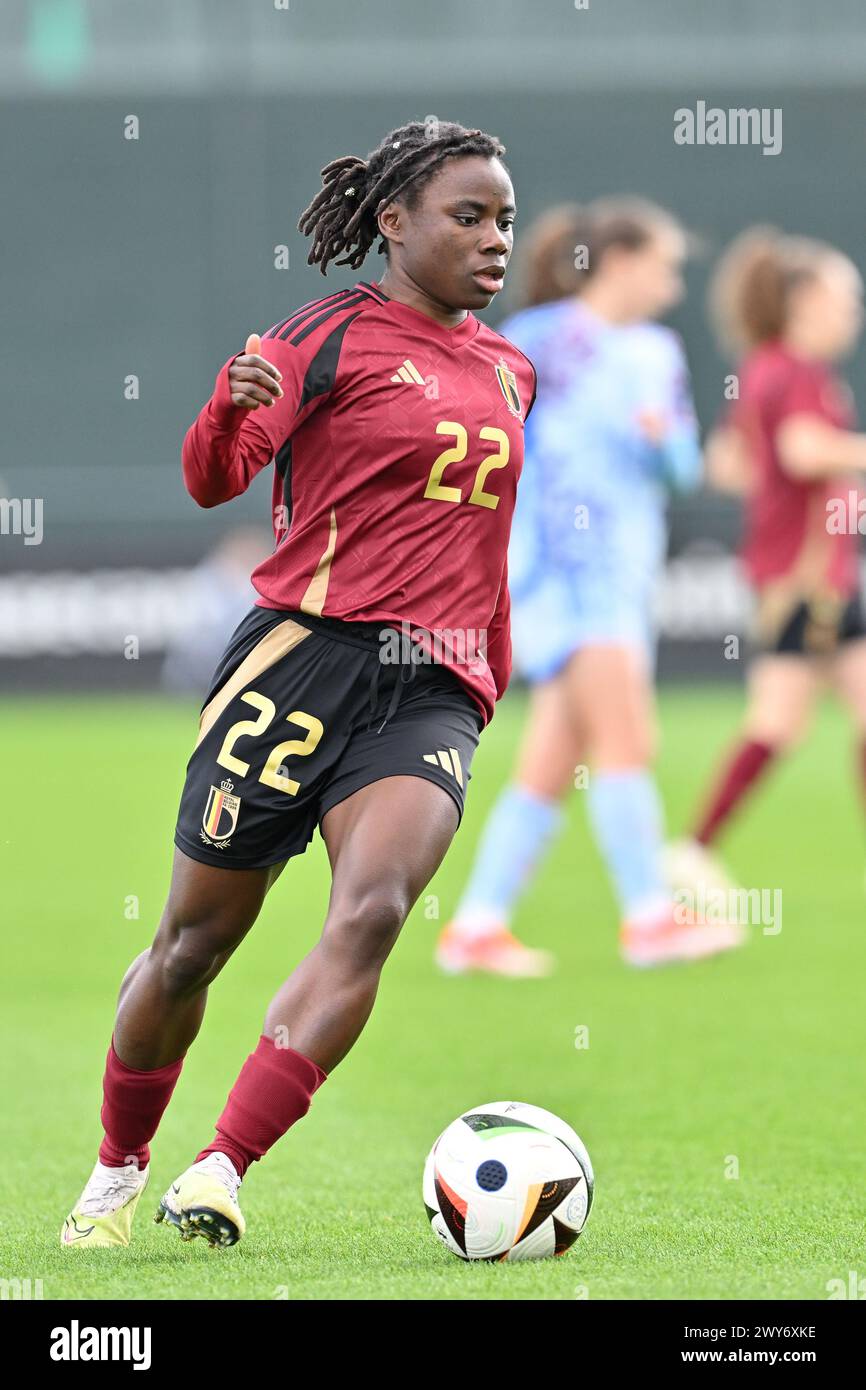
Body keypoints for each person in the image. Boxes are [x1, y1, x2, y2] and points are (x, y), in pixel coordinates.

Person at [61, 118, 536, 1249]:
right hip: (297, 663)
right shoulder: (321, 337)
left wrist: (487, 669)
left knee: (371, 910)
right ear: (393, 221)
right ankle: (115, 1173)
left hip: (429, 685)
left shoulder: (513, 370)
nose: (492, 240)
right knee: (190, 946)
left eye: (504, 220)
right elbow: (212, 477)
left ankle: (219, 1166)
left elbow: (486, 542)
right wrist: (227, 405)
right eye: (467, 217)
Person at [437, 198, 743, 974]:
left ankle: (475, 927)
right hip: (568, 574)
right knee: (627, 738)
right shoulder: (537, 343)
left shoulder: (656, 351)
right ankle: (648, 920)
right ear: (620, 262)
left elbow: (682, 467)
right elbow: (493, 448)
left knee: (553, 757)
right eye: (664, 267)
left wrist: (660, 439)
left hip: (624, 566)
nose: (672, 287)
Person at [667, 227, 866, 889]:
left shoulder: (764, 368)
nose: (853, 315)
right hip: (807, 579)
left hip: (803, 571)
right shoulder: (798, 373)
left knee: (800, 715)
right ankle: (692, 852)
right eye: (845, 300)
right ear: (805, 301)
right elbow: (802, 454)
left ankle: (694, 851)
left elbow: (728, 464)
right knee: (779, 719)